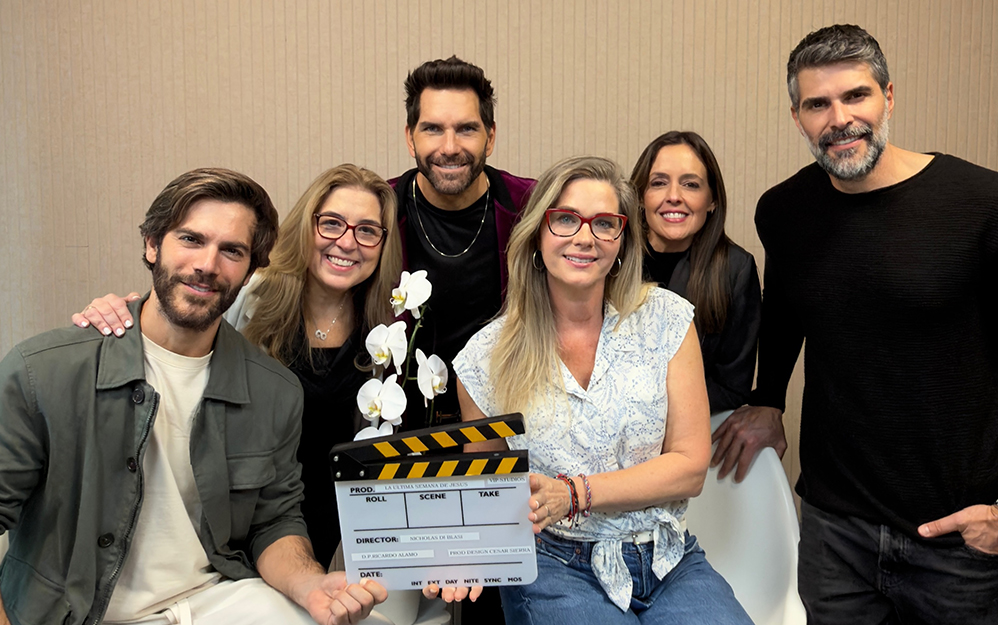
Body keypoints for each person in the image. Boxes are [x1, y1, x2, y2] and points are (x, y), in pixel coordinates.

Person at [0, 168, 386, 625]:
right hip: (77, 611)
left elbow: (274, 521)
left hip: (212, 599)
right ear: (151, 244)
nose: (208, 264)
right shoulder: (44, 371)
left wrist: (309, 585)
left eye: (232, 251)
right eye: (191, 239)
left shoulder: (274, 390)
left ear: (251, 269)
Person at [709, 24, 998, 623]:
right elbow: (786, 306)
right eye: (818, 104)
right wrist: (767, 399)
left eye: (856, 96)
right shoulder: (784, 210)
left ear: (888, 97)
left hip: (957, 540)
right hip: (833, 532)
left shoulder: (980, 203)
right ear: (797, 117)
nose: (839, 118)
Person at [451, 156, 752, 624]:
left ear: (621, 242)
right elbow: (486, 493)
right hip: (555, 565)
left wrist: (573, 494)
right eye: (566, 218)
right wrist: (458, 555)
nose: (585, 237)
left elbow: (690, 467)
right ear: (537, 234)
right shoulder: (484, 358)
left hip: (669, 558)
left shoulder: (667, 319)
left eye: (605, 223)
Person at [71, 164, 403, 570]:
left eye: (367, 230)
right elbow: (178, 324)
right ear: (306, 226)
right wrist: (116, 312)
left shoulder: (390, 326)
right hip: (247, 515)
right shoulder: (250, 294)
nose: (347, 242)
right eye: (331, 224)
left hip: (343, 523)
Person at [391, 55, 534, 428]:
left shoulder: (532, 208)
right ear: (410, 137)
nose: (450, 147)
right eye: (433, 129)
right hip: (401, 428)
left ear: (491, 136)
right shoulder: (378, 213)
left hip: (508, 419)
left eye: (467, 129)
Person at [630, 131, 761, 413]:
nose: (674, 196)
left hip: (689, 431)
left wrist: (650, 412)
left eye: (690, 184)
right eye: (658, 183)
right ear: (641, 196)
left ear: (712, 200)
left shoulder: (735, 270)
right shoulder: (610, 260)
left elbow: (731, 388)